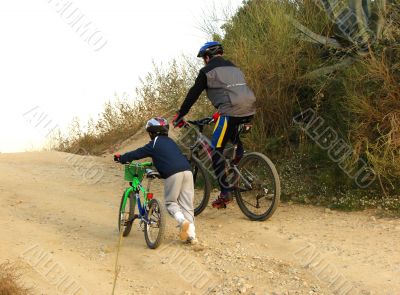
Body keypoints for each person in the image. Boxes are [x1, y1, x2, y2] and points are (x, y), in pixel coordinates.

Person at [172, 41, 256, 209]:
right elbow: (235, 91)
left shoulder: (207, 71)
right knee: (231, 136)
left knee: (215, 150)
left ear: (207, 57)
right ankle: (239, 157)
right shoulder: (234, 67)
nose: (204, 61)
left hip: (230, 111)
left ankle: (225, 193)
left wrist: (180, 114)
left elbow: (193, 94)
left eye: (204, 58)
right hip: (249, 108)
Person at [114, 117, 197, 243]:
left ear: (152, 133)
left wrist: (122, 158)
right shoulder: (171, 142)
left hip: (173, 174)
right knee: (187, 205)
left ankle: (183, 222)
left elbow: (137, 153)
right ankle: (192, 236)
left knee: (171, 203)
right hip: (187, 171)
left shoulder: (154, 143)